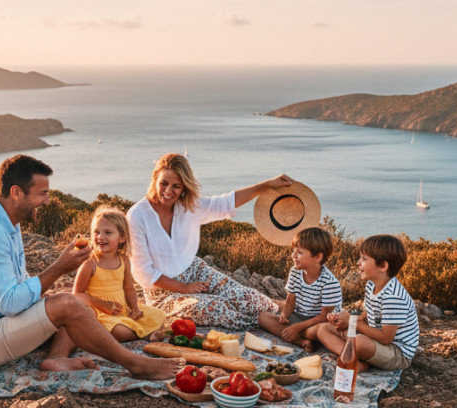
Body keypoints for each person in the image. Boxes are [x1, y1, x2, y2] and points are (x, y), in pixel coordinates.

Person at [0, 154, 182, 379]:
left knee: (75, 307)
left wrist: (58, 305)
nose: (47, 200)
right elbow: (11, 303)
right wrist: (59, 268)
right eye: (42, 193)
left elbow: (21, 287)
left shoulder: (7, 225)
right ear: (16, 192)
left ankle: (56, 358)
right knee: (67, 303)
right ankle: (135, 364)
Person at [127, 153, 291, 329]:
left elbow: (224, 203)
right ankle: (270, 324)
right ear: (155, 179)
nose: (168, 191)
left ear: (184, 188)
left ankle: (281, 310)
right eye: (163, 183)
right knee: (216, 307)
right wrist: (184, 287)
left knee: (245, 297)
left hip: (195, 271)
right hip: (161, 293)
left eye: (176, 186)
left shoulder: (188, 206)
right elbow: (143, 272)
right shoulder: (137, 216)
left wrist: (266, 185)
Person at [316, 234, 419, 371]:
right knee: (324, 328)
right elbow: (369, 312)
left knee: (358, 342)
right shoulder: (372, 284)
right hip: (374, 341)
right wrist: (348, 320)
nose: (358, 262)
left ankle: (355, 359)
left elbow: (386, 338)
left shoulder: (393, 297)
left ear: (383, 266)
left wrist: (353, 323)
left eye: (364, 259)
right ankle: (354, 359)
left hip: (396, 353)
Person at [72, 206, 166, 342]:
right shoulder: (90, 262)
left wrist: (134, 308)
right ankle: (145, 334)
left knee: (158, 315)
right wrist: (102, 304)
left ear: (122, 237)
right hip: (100, 312)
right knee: (120, 332)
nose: (100, 237)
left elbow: (128, 289)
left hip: (122, 310)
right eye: (96, 232)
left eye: (108, 233)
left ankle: (142, 330)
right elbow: (77, 295)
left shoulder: (124, 260)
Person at [257, 226, 342, 352]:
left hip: (317, 321)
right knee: (262, 317)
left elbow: (325, 316)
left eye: (300, 252)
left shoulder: (329, 283)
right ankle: (301, 341)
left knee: (320, 330)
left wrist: (298, 327)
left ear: (318, 257)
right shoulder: (295, 272)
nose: (294, 255)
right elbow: (290, 301)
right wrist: (284, 315)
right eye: (294, 250)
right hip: (298, 316)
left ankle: (300, 334)